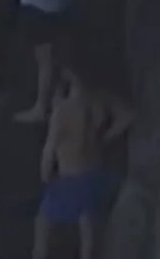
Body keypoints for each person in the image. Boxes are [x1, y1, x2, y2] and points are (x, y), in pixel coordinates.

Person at [34, 49, 133, 259]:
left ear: (68, 75)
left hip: (71, 179)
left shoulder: (63, 111)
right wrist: (105, 137)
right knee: (87, 222)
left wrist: (45, 177)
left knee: (42, 222)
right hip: (96, 175)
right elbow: (127, 117)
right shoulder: (100, 99)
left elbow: (49, 150)